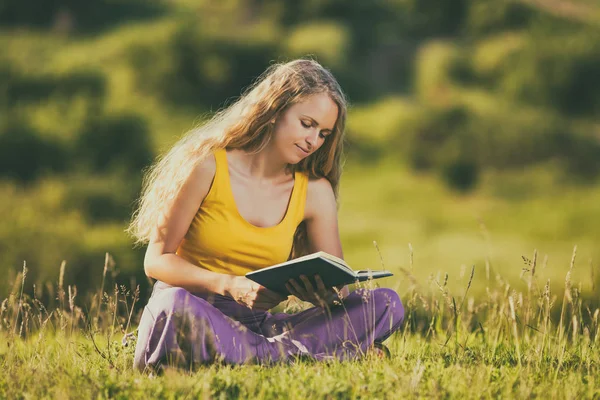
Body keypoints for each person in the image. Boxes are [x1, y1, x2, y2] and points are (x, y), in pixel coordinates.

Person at [127, 59, 404, 371]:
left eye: (324, 133)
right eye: (307, 124)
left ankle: (256, 354)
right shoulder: (206, 167)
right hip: (195, 313)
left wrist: (325, 295)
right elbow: (156, 260)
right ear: (274, 111)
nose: (314, 141)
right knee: (172, 307)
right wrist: (229, 285)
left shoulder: (315, 191)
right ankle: (294, 355)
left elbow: (340, 290)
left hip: (260, 325)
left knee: (384, 304)